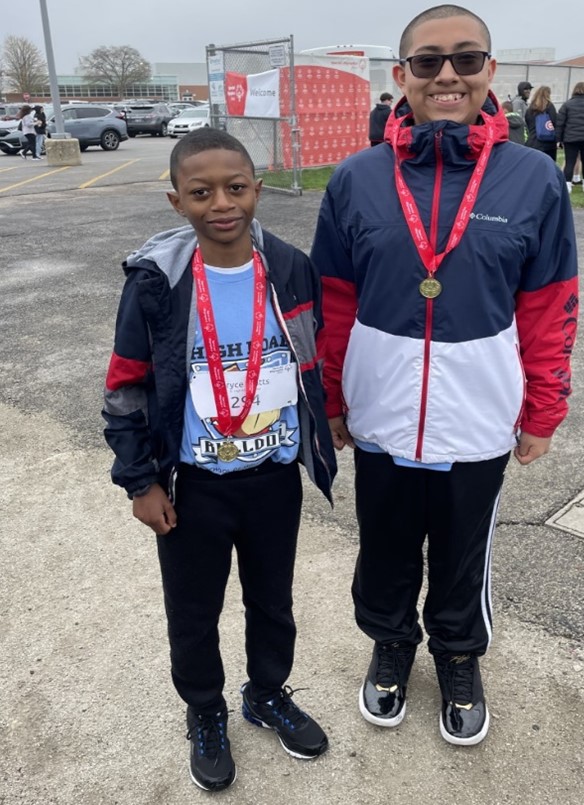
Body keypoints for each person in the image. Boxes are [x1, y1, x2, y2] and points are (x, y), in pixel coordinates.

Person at [311, 3, 578, 747]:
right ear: (402, 76)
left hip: (477, 414)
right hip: (382, 412)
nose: (447, 76)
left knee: (462, 551)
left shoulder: (533, 178)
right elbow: (332, 303)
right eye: (428, 62)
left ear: (490, 70)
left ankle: (459, 653)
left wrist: (544, 409)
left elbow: (551, 306)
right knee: (386, 543)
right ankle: (391, 641)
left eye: (465, 58)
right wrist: (330, 397)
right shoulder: (357, 178)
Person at [102, 128, 336, 791]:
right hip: (194, 485)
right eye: (201, 192)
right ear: (177, 201)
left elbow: (313, 357)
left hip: (273, 479)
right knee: (193, 610)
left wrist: (325, 426)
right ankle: (205, 708)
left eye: (235, 188)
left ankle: (266, 693)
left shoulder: (290, 268)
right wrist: (140, 482)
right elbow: (125, 386)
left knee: (273, 601)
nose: (222, 204)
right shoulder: (156, 284)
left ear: (257, 190)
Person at [525, 85, 558, 161]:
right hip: (548, 143)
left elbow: (528, 124)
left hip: (532, 142)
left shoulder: (530, 109)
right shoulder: (549, 106)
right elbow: (554, 121)